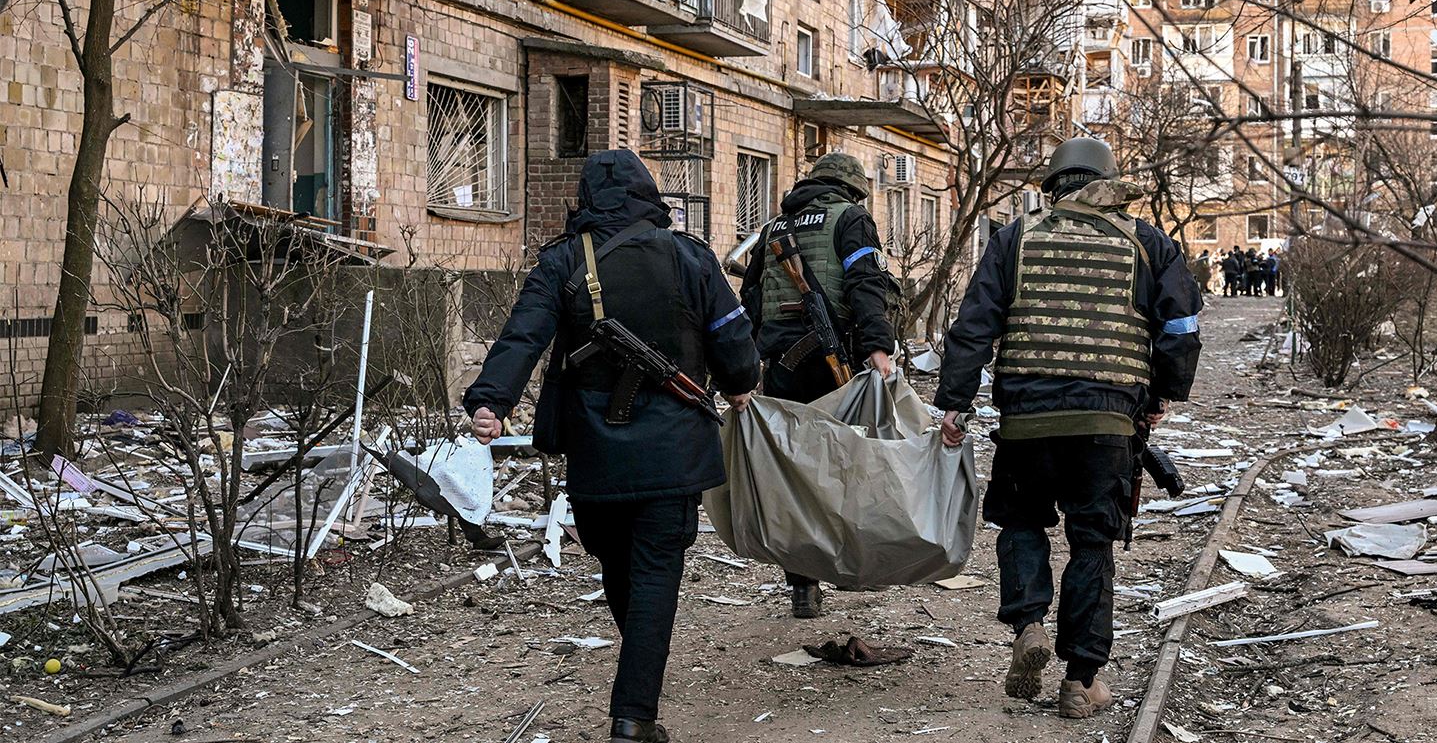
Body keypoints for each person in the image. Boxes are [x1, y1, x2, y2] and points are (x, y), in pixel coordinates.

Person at [463, 150, 760, 743]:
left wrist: (490, 401)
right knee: (651, 575)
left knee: (623, 566)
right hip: (673, 451)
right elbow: (733, 341)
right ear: (650, 196)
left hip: (595, 451)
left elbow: (523, 333)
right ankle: (634, 716)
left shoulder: (566, 260)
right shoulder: (690, 258)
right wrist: (741, 387)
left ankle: (635, 706)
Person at [933, 137, 1202, 720]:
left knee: (1021, 523)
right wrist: (1161, 394)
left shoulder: (1015, 238)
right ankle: (1081, 681)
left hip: (1026, 421)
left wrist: (954, 403)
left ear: (1052, 186)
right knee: (1092, 542)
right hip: (1106, 423)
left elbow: (973, 325)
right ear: (1110, 183)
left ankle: (1028, 625)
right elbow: (1179, 327)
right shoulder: (1148, 242)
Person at [739, 151, 898, 619]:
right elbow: (867, 283)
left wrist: (743, 367)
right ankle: (848, 557)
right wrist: (878, 347)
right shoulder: (851, 218)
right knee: (847, 460)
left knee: (796, 471)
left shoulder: (773, 228)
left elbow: (751, 298)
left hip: (781, 366)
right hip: (834, 363)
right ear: (850, 189)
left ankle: (802, 582)